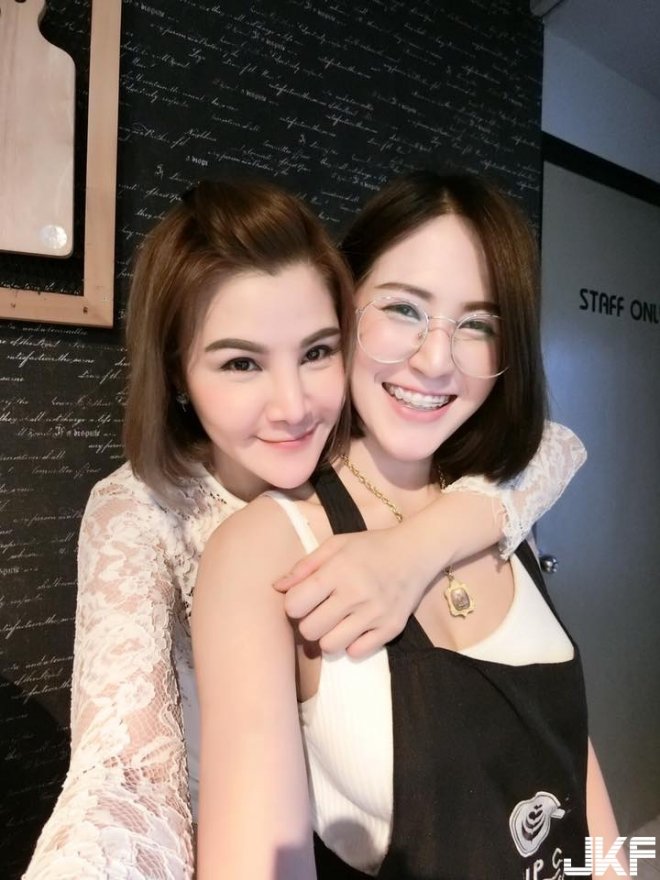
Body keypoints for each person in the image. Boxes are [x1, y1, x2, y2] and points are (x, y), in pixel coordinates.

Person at [24, 178, 584, 880]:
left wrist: (412, 551)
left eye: (318, 352)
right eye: (240, 362)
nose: (292, 407)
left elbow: (551, 448)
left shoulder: (413, 464)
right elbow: (123, 775)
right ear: (176, 374)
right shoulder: (149, 511)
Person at [192, 170, 622, 880]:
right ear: (342, 309)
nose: (435, 360)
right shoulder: (264, 550)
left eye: (479, 324)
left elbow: (571, 761)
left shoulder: (498, 503)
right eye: (403, 308)